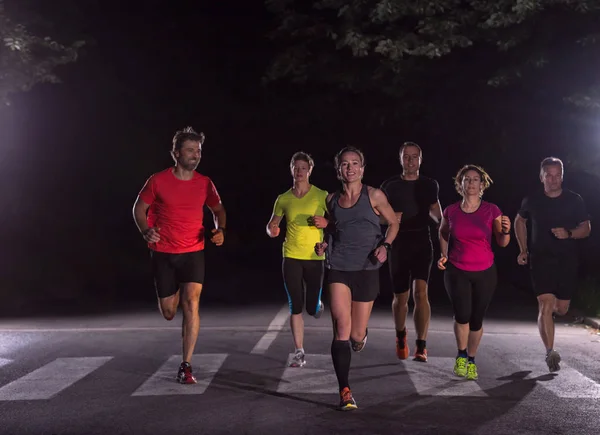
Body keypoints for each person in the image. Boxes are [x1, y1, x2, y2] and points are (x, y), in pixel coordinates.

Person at [132, 126, 226, 384]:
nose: (195, 155)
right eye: (190, 150)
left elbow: (218, 210)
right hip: (163, 252)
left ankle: (186, 365)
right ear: (176, 153)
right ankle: (168, 300)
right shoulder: (158, 180)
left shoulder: (205, 183)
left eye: (198, 151)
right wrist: (145, 231)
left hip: (194, 251)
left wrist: (220, 230)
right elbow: (139, 209)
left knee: (192, 303)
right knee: (169, 312)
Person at [315, 146, 399, 411]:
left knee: (354, 333)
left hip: (367, 269)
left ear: (362, 169)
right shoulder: (331, 200)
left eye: (354, 164)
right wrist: (324, 245)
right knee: (341, 327)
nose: (349, 168)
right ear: (339, 170)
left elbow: (394, 223)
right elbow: (334, 229)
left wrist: (386, 246)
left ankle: (361, 337)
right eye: (344, 164)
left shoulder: (374, 195)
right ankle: (344, 391)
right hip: (338, 267)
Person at [514, 157, 590, 372]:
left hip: (567, 260)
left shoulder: (575, 200)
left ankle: (555, 317)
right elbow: (520, 221)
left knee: (561, 308)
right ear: (541, 177)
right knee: (545, 305)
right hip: (541, 260)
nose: (553, 179)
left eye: (557, 175)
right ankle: (550, 352)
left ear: (562, 176)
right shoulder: (532, 200)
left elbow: (586, 228)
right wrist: (523, 249)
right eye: (549, 175)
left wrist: (569, 234)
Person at [437, 164, 510, 381]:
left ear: (482, 184)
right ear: (460, 184)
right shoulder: (451, 211)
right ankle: (461, 355)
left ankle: (471, 359)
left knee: (476, 319)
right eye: (466, 179)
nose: (471, 183)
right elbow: (443, 233)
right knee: (462, 315)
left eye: (475, 179)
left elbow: (502, 242)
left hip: (485, 271)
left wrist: (506, 231)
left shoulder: (492, 210)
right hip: (457, 270)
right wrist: (443, 254)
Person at [266, 151, 329, 368]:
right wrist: (272, 230)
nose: (299, 171)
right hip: (291, 255)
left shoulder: (322, 195)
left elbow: (336, 222)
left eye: (304, 167)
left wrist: (326, 227)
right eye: (296, 167)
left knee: (311, 308)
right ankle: (299, 352)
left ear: (310, 170)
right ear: (291, 169)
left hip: (315, 257)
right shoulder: (283, 198)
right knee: (295, 305)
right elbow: (271, 224)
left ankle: (317, 303)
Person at [380, 142, 442, 362]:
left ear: (420, 160)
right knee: (401, 298)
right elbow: (378, 215)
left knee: (421, 293)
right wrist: (388, 218)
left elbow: (437, 213)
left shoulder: (429, 184)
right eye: (406, 157)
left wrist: (445, 224)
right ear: (400, 159)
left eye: (414, 157)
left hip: (421, 241)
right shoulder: (389, 185)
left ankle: (421, 345)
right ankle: (400, 336)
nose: (410, 161)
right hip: (398, 243)